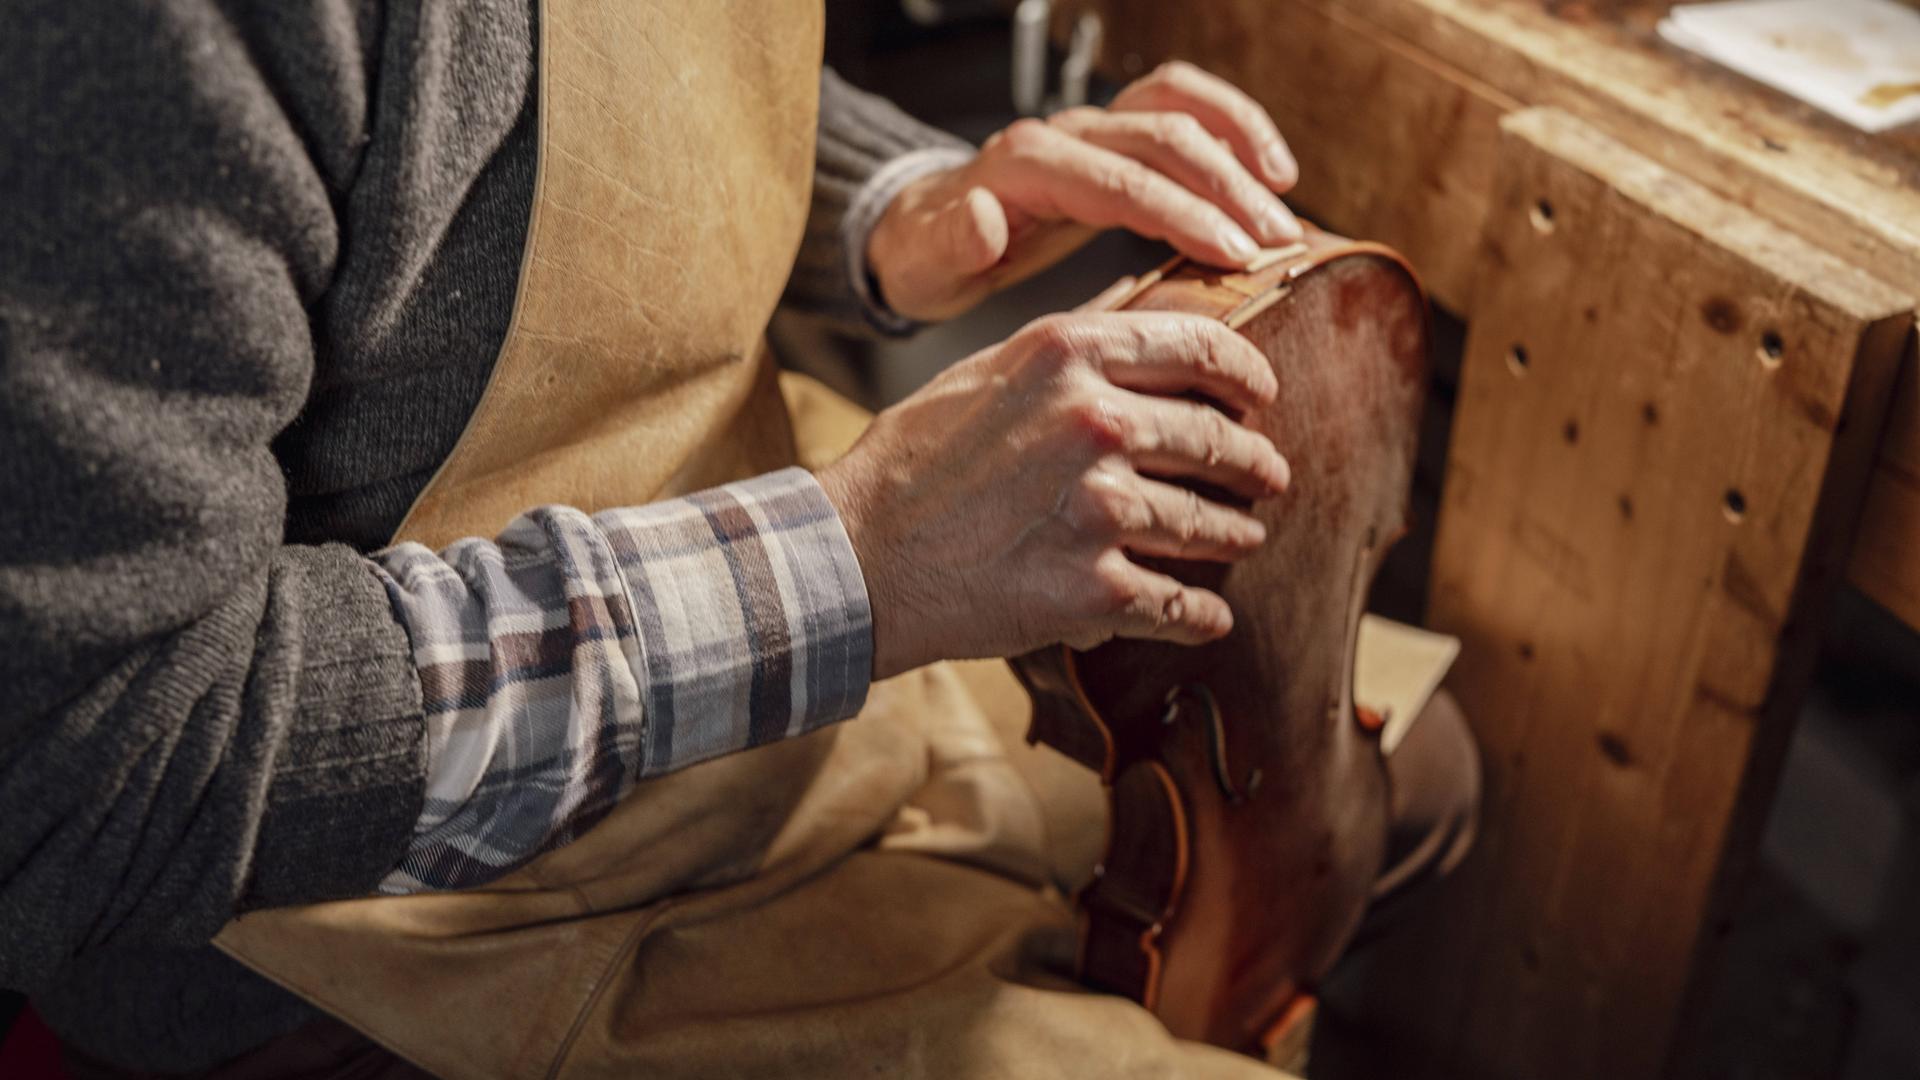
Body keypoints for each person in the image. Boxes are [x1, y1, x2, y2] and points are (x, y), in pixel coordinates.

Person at [1, 3, 1475, 1075]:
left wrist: (896, 206)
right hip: (384, 924)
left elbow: (618, 68)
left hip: (743, 566)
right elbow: (87, 768)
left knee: (1421, 775)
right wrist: (856, 560)